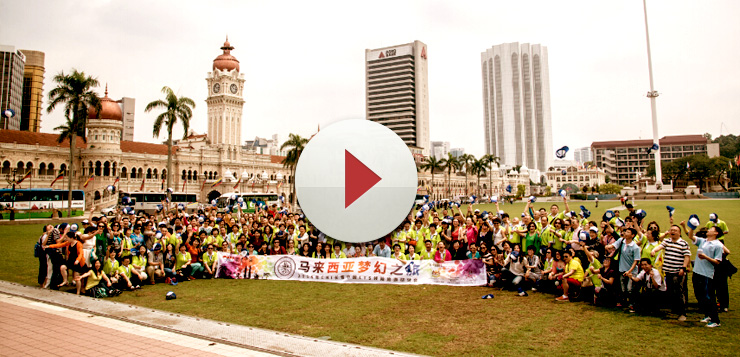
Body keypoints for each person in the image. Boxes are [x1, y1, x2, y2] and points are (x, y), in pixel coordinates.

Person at [683, 222, 728, 328]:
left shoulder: (717, 245)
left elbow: (717, 261)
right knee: (700, 295)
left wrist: (705, 257)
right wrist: (690, 228)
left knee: (709, 297)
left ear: (716, 233)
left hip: (707, 274)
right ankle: (708, 315)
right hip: (697, 271)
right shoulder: (703, 241)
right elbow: (691, 236)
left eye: (711, 229)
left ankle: (715, 320)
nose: (708, 230)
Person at [650, 224, 690, 321]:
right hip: (668, 271)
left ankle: (682, 313)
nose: (672, 232)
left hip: (677, 272)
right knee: (671, 291)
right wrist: (654, 250)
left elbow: (687, 256)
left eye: (675, 230)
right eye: (671, 230)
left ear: (679, 233)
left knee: (679, 292)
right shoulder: (667, 241)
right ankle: (675, 309)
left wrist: (683, 268)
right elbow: (660, 246)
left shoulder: (683, 243)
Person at [604, 227, 641, 312]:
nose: (625, 233)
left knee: (629, 289)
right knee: (623, 289)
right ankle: (626, 303)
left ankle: (632, 305)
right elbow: (614, 245)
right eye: (625, 232)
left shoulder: (635, 247)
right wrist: (608, 246)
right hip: (622, 270)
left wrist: (630, 271)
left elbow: (636, 261)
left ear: (632, 235)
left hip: (631, 271)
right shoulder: (621, 241)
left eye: (628, 232)